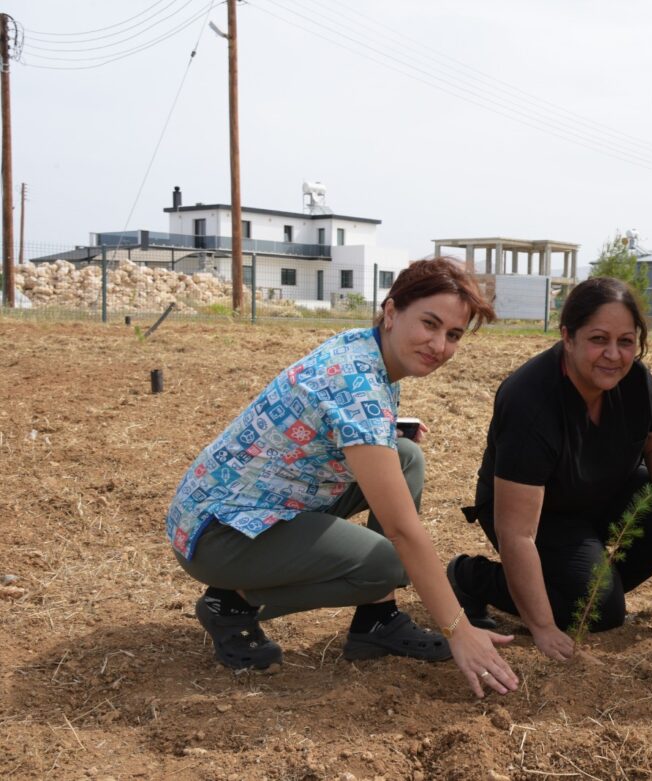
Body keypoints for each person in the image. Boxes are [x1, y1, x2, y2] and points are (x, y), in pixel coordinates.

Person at [166, 257, 519, 698]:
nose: (439, 345)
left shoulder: (367, 349)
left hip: (256, 503)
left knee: (404, 455)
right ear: (391, 313)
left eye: (453, 335)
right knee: (390, 562)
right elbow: (403, 532)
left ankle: (377, 619)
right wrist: (458, 629)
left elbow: (338, 419)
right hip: (218, 535)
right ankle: (233, 602)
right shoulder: (359, 385)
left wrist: (391, 429)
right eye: (429, 323)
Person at [447, 277, 652, 661]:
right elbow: (517, 534)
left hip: (601, 492)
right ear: (568, 337)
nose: (613, 355)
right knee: (595, 613)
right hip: (543, 515)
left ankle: (589, 584)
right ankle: (472, 577)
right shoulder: (530, 402)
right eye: (598, 339)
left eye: (626, 341)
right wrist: (544, 627)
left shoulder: (634, 379)